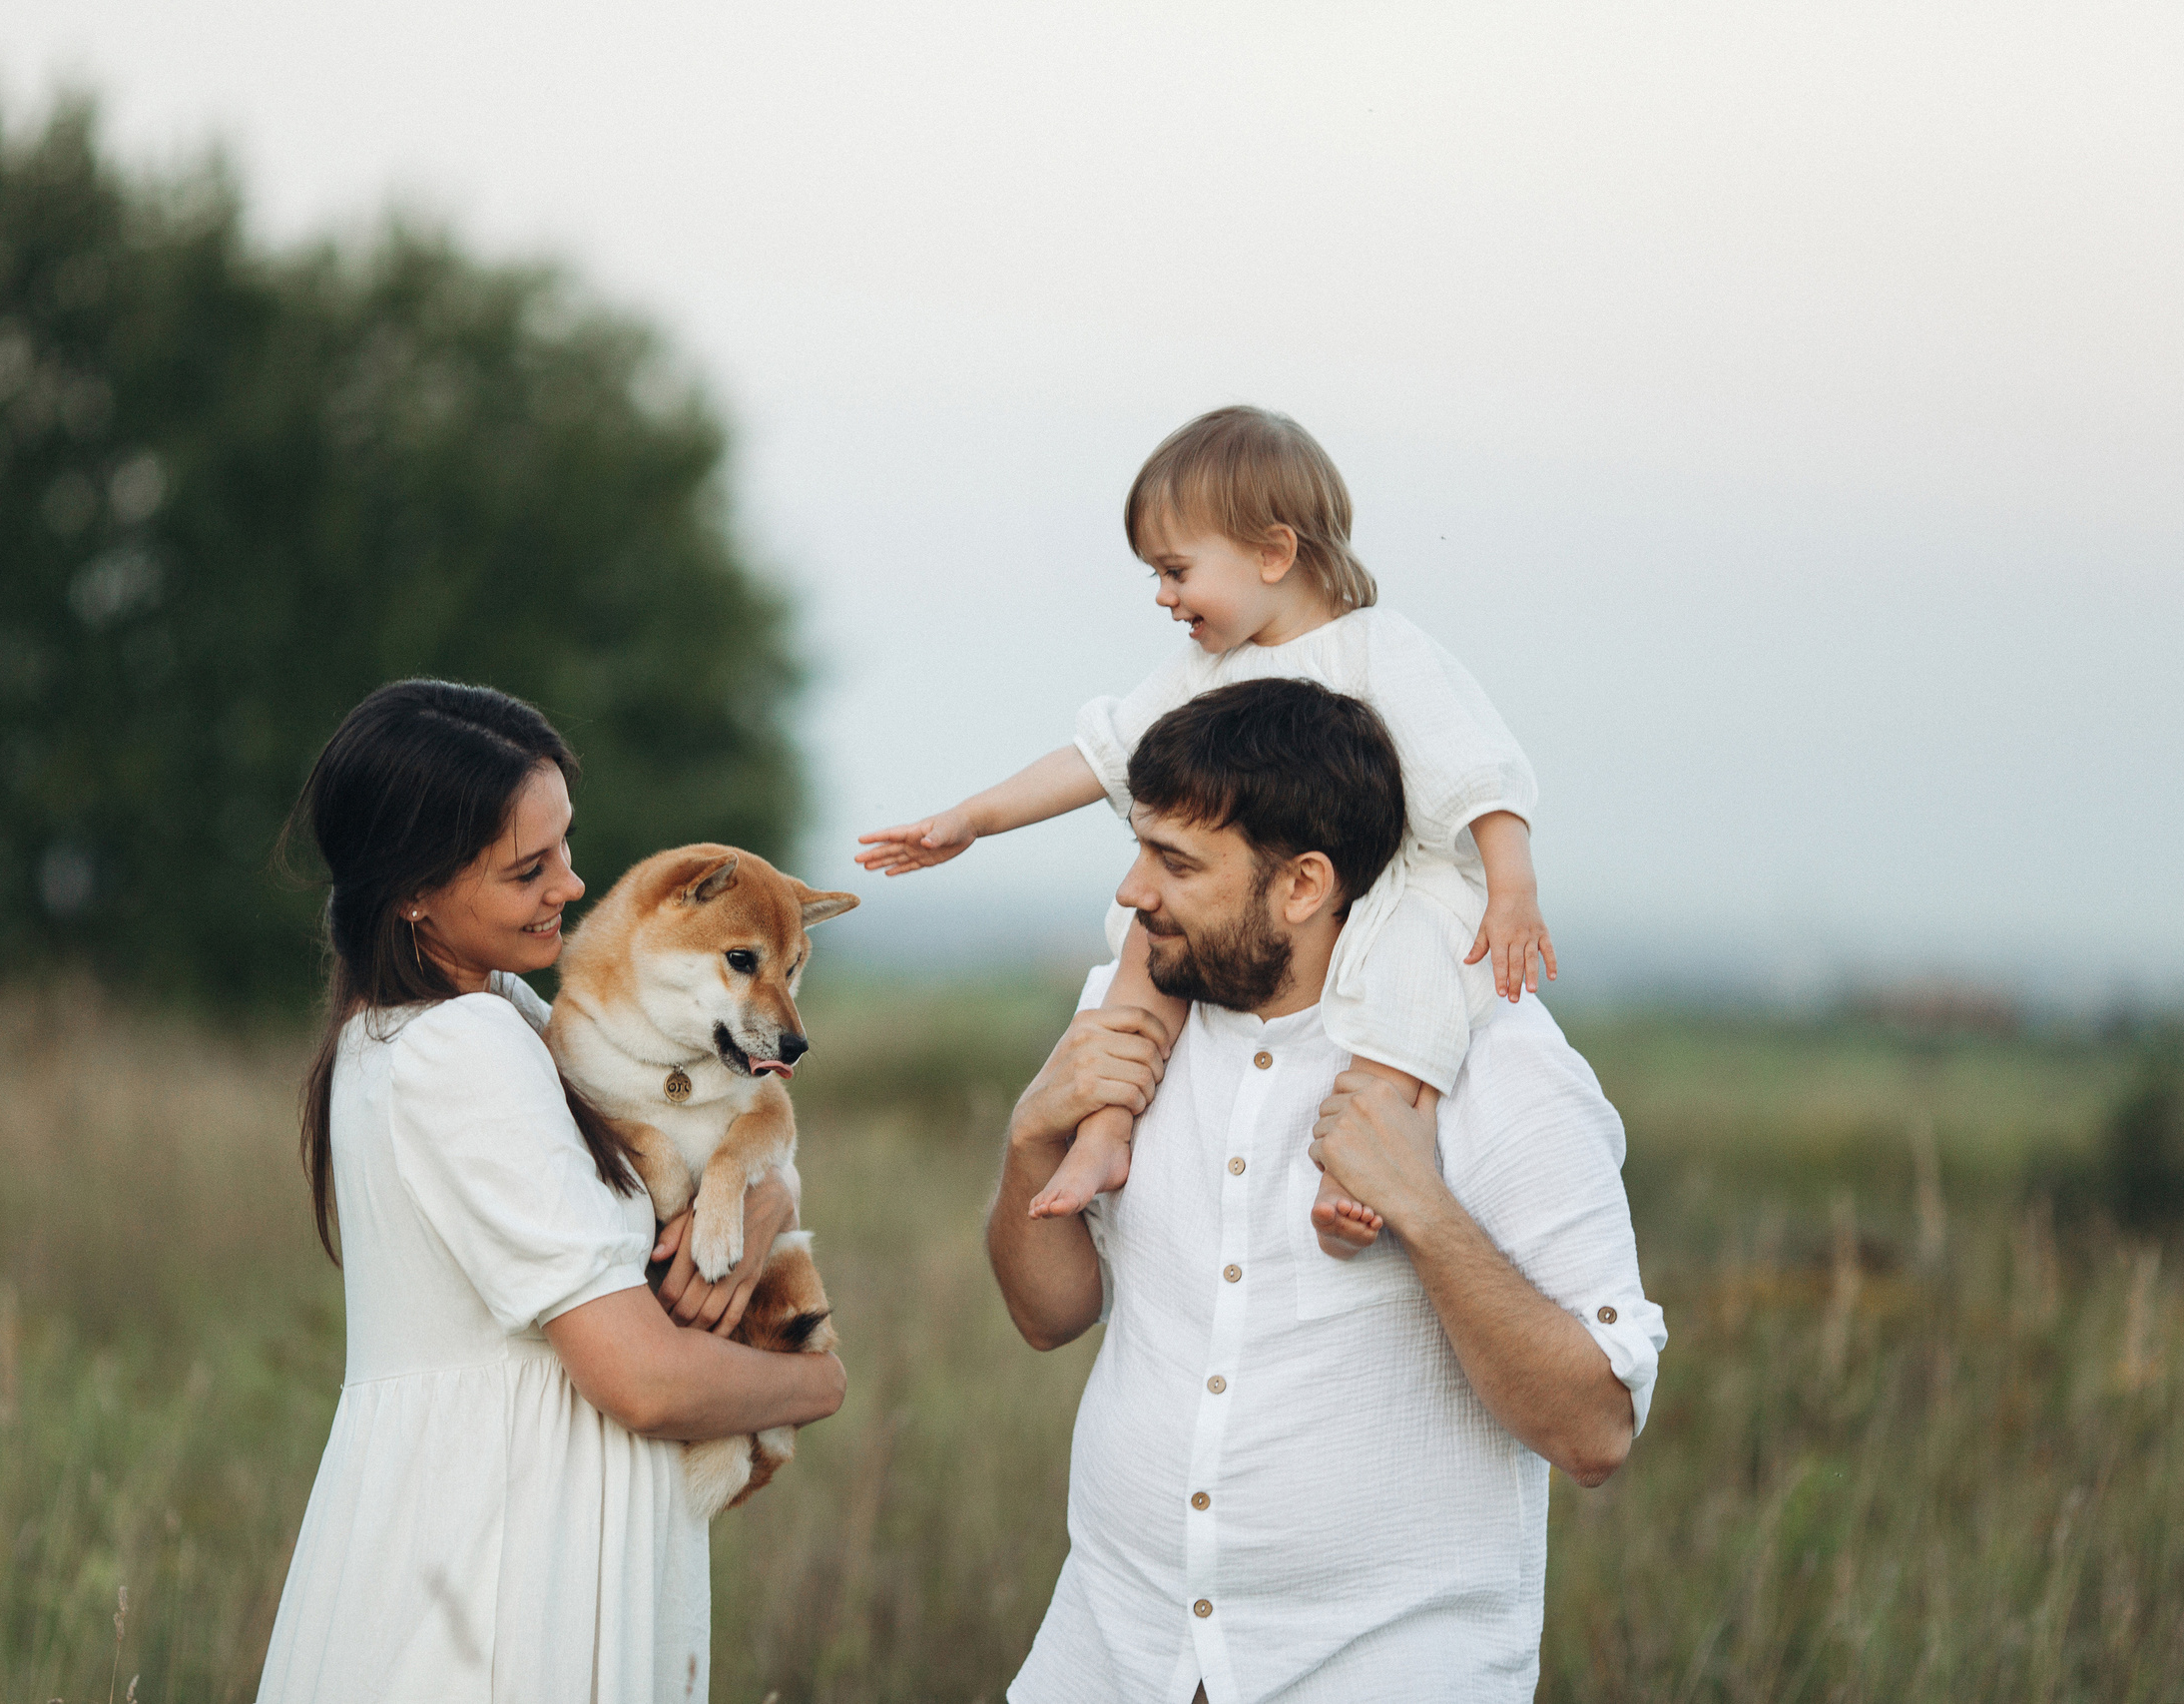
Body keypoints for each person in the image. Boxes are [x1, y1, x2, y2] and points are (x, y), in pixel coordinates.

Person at [986, 678, 1664, 1703]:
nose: (1131, 891)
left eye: (1174, 861)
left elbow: (1596, 1432)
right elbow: (1049, 1318)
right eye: (1137, 848)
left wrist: (1422, 1210)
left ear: (1303, 884)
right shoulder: (1131, 1020)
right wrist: (1030, 1140)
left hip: (1380, 1670)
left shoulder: (1501, 1067)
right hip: (1110, 1648)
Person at [256, 680, 845, 1702]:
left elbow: (714, 1125)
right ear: (413, 894)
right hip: (500, 1581)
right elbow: (641, 1379)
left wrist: (764, 1206)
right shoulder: (467, 1047)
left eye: (566, 847)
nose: (570, 887)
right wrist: (816, 1387)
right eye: (527, 870)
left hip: (485, 1544)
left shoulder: (497, 1018)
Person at [860, 405, 1552, 1226]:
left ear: (1273, 552)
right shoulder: (1205, 668)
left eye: (1177, 569)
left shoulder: (1379, 648)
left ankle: (1359, 1167)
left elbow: (1473, 768)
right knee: (1146, 953)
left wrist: (1511, 888)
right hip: (1256, 903)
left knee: (1414, 977)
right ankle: (1107, 1128)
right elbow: (1102, 751)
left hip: (1386, 885)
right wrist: (975, 817)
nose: (1163, 595)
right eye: (1155, 574)